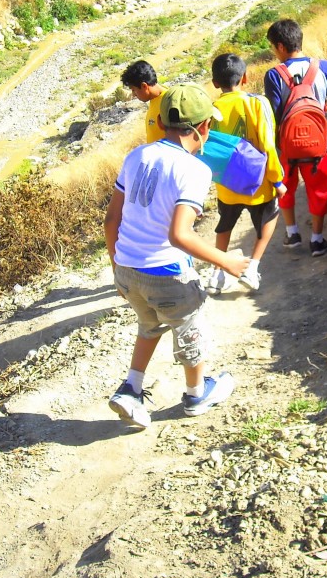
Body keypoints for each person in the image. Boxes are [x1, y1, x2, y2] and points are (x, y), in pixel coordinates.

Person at [103, 83, 249, 429]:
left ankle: (132, 388)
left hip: (127, 267)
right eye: (209, 127)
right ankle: (196, 393)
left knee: (149, 324)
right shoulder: (195, 170)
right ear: (200, 129)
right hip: (166, 271)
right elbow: (179, 234)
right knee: (190, 324)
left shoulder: (137, 155)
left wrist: (116, 270)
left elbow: (111, 220)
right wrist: (225, 260)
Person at [263, 19, 327, 257]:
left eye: (273, 47)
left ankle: (292, 234)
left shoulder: (273, 75)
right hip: (317, 146)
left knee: (286, 187)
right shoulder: (324, 67)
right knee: (319, 189)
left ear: (280, 46)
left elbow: (275, 117)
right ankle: (317, 240)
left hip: (287, 147)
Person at [205, 53, 285, 294]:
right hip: (258, 182)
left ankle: (217, 274)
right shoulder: (257, 103)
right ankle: (253, 267)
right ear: (246, 77)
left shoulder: (211, 109)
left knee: (224, 225)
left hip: (227, 183)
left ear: (215, 83)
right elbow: (268, 144)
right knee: (269, 218)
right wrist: (277, 179)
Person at [121, 60, 166, 143]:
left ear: (144, 86)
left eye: (134, 90)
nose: (133, 95)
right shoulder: (154, 100)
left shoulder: (169, 102)